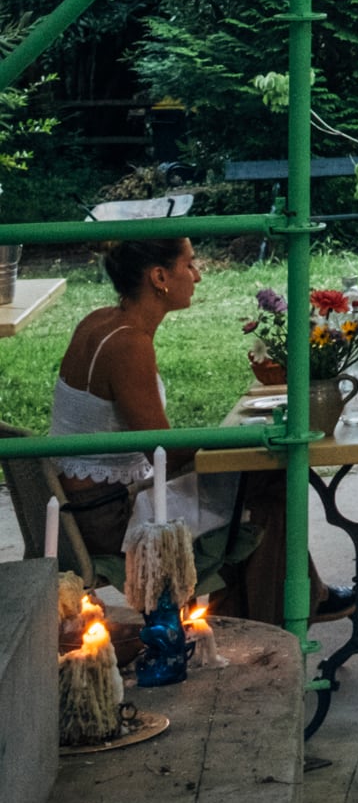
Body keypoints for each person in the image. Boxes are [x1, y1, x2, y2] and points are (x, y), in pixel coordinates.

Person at [48, 237, 246, 575]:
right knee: (261, 486)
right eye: (189, 264)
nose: (197, 276)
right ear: (159, 277)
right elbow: (167, 452)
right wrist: (242, 435)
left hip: (81, 505)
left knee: (251, 479)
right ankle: (291, 606)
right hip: (106, 517)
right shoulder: (128, 344)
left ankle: (274, 604)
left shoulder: (99, 320)